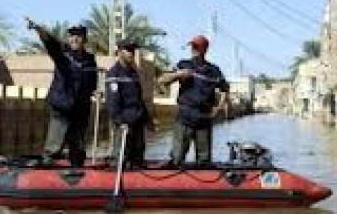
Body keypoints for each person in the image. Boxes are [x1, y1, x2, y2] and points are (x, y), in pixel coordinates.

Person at [26, 18, 97, 167]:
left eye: (78, 36)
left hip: (80, 110)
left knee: (77, 148)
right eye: (72, 36)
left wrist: (93, 93)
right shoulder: (62, 55)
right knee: (54, 146)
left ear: (85, 40)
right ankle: (45, 171)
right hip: (62, 107)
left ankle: (77, 168)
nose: (75, 39)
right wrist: (40, 30)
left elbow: (91, 82)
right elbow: (50, 43)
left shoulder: (90, 60)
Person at [158, 35, 229, 167]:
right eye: (192, 47)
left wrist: (219, 106)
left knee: (204, 161)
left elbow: (225, 88)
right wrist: (178, 74)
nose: (193, 50)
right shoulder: (183, 64)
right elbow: (162, 80)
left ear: (205, 49)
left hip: (204, 119)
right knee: (177, 158)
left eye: (196, 47)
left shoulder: (214, 71)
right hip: (185, 118)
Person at [105, 39, 153, 169]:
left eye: (132, 50)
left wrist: (148, 119)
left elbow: (139, 99)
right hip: (124, 124)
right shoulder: (114, 73)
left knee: (137, 158)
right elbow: (112, 102)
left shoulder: (134, 74)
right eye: (128, 50)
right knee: (121, 158)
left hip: (137, 122)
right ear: (120, 52)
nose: (131, 53)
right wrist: (120, 121)